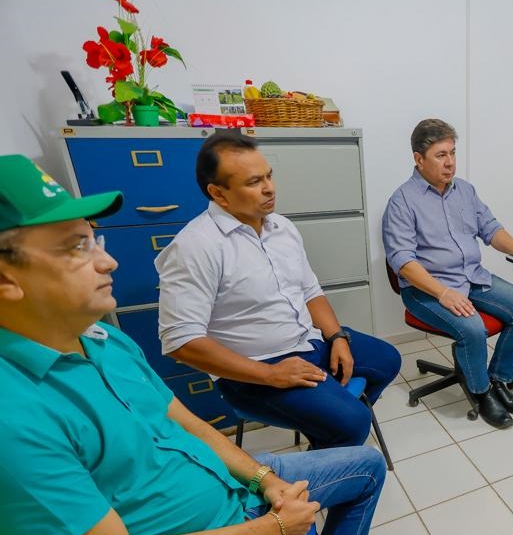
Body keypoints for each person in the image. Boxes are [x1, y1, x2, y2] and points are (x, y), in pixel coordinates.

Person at [0, 154, 406, 535]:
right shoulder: (13, 419)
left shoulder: (101, 340)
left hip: (224, 490)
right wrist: (271, 529)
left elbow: (185, 423)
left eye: (94, 239)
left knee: (365, 464)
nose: (108, 262)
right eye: (75, 247)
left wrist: (263, 480)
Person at [156, 132, 401, 450]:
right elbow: (180, 342)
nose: (269, 188)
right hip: (256, 368)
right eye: (254, 182)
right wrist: (270, 374)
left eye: (269, 176)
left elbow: (310, 291)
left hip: (308, 341)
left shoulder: (282, 227)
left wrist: (337, 337)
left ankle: (328, 438)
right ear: (219, 194)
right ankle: (334, 444)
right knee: (352, 421)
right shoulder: (196, 246)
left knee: (388, 360)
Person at [382, 118, 513, 429]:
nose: (450, 162)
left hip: (471, 277)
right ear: (418, 159)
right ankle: (481, 393)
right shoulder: (402, 202)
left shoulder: (465, 191)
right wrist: (443, 293)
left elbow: (490, 228)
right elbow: (403, 261)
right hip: (427, 290)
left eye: (452, 153)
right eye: (441, 155)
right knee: (472, 328)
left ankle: (498, 379)